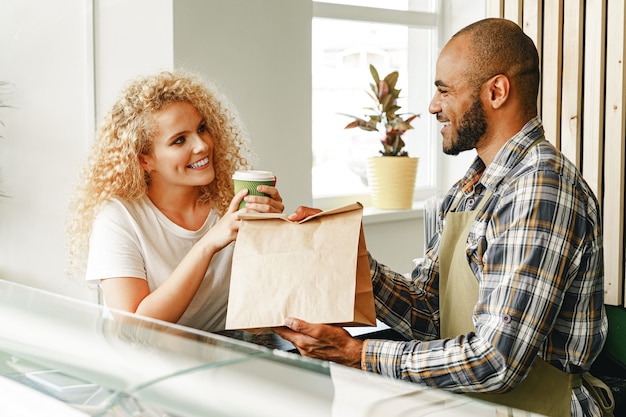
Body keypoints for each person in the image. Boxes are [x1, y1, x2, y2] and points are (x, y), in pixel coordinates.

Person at [274, 18, 609, 417]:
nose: (433, 106)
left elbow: (497, 361)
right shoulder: (469, 188)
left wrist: (358, 353)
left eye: (444, 90)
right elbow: (431, 316)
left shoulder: (541, 189)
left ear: (496, 92)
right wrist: (356, 265)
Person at [67, 70, 284, 332]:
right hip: (145, 363)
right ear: (144, 160)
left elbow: (260, 314)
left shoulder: (229, 202)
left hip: (222, 358)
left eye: (202, 129)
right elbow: (134, 325)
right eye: (179, 140)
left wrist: (275, 233)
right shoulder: (118, 219)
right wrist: (209, 243)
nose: (202, 145)